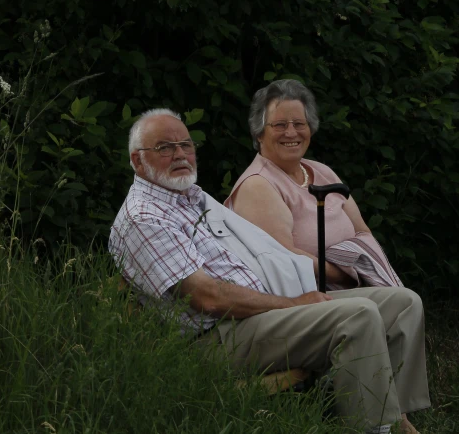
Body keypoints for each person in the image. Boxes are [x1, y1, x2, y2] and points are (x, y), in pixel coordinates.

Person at [109, 109, 430, 434]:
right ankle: (374, 428)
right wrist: (295, 303)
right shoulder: (144, 218)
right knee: (356, 315)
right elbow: (208, 298)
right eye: (165, 147)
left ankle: (395, 417)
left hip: (257, 315)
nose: (180, 154)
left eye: (186, 145)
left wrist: (292, 291)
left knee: (402, 303)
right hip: (216, 340)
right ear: (138, 161)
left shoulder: (189, 197)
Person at [225, 79, 403, 290]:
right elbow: (284, 256)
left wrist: (357, 270)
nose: (291, 133)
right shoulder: (257, 185)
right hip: (309, 294)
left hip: (354, 284)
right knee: (405, 302)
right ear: (259, 133)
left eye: (299, 124)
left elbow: (363, 233)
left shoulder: (322, 172)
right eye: (280, 125)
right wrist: (346, 272)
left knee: (408, 302)